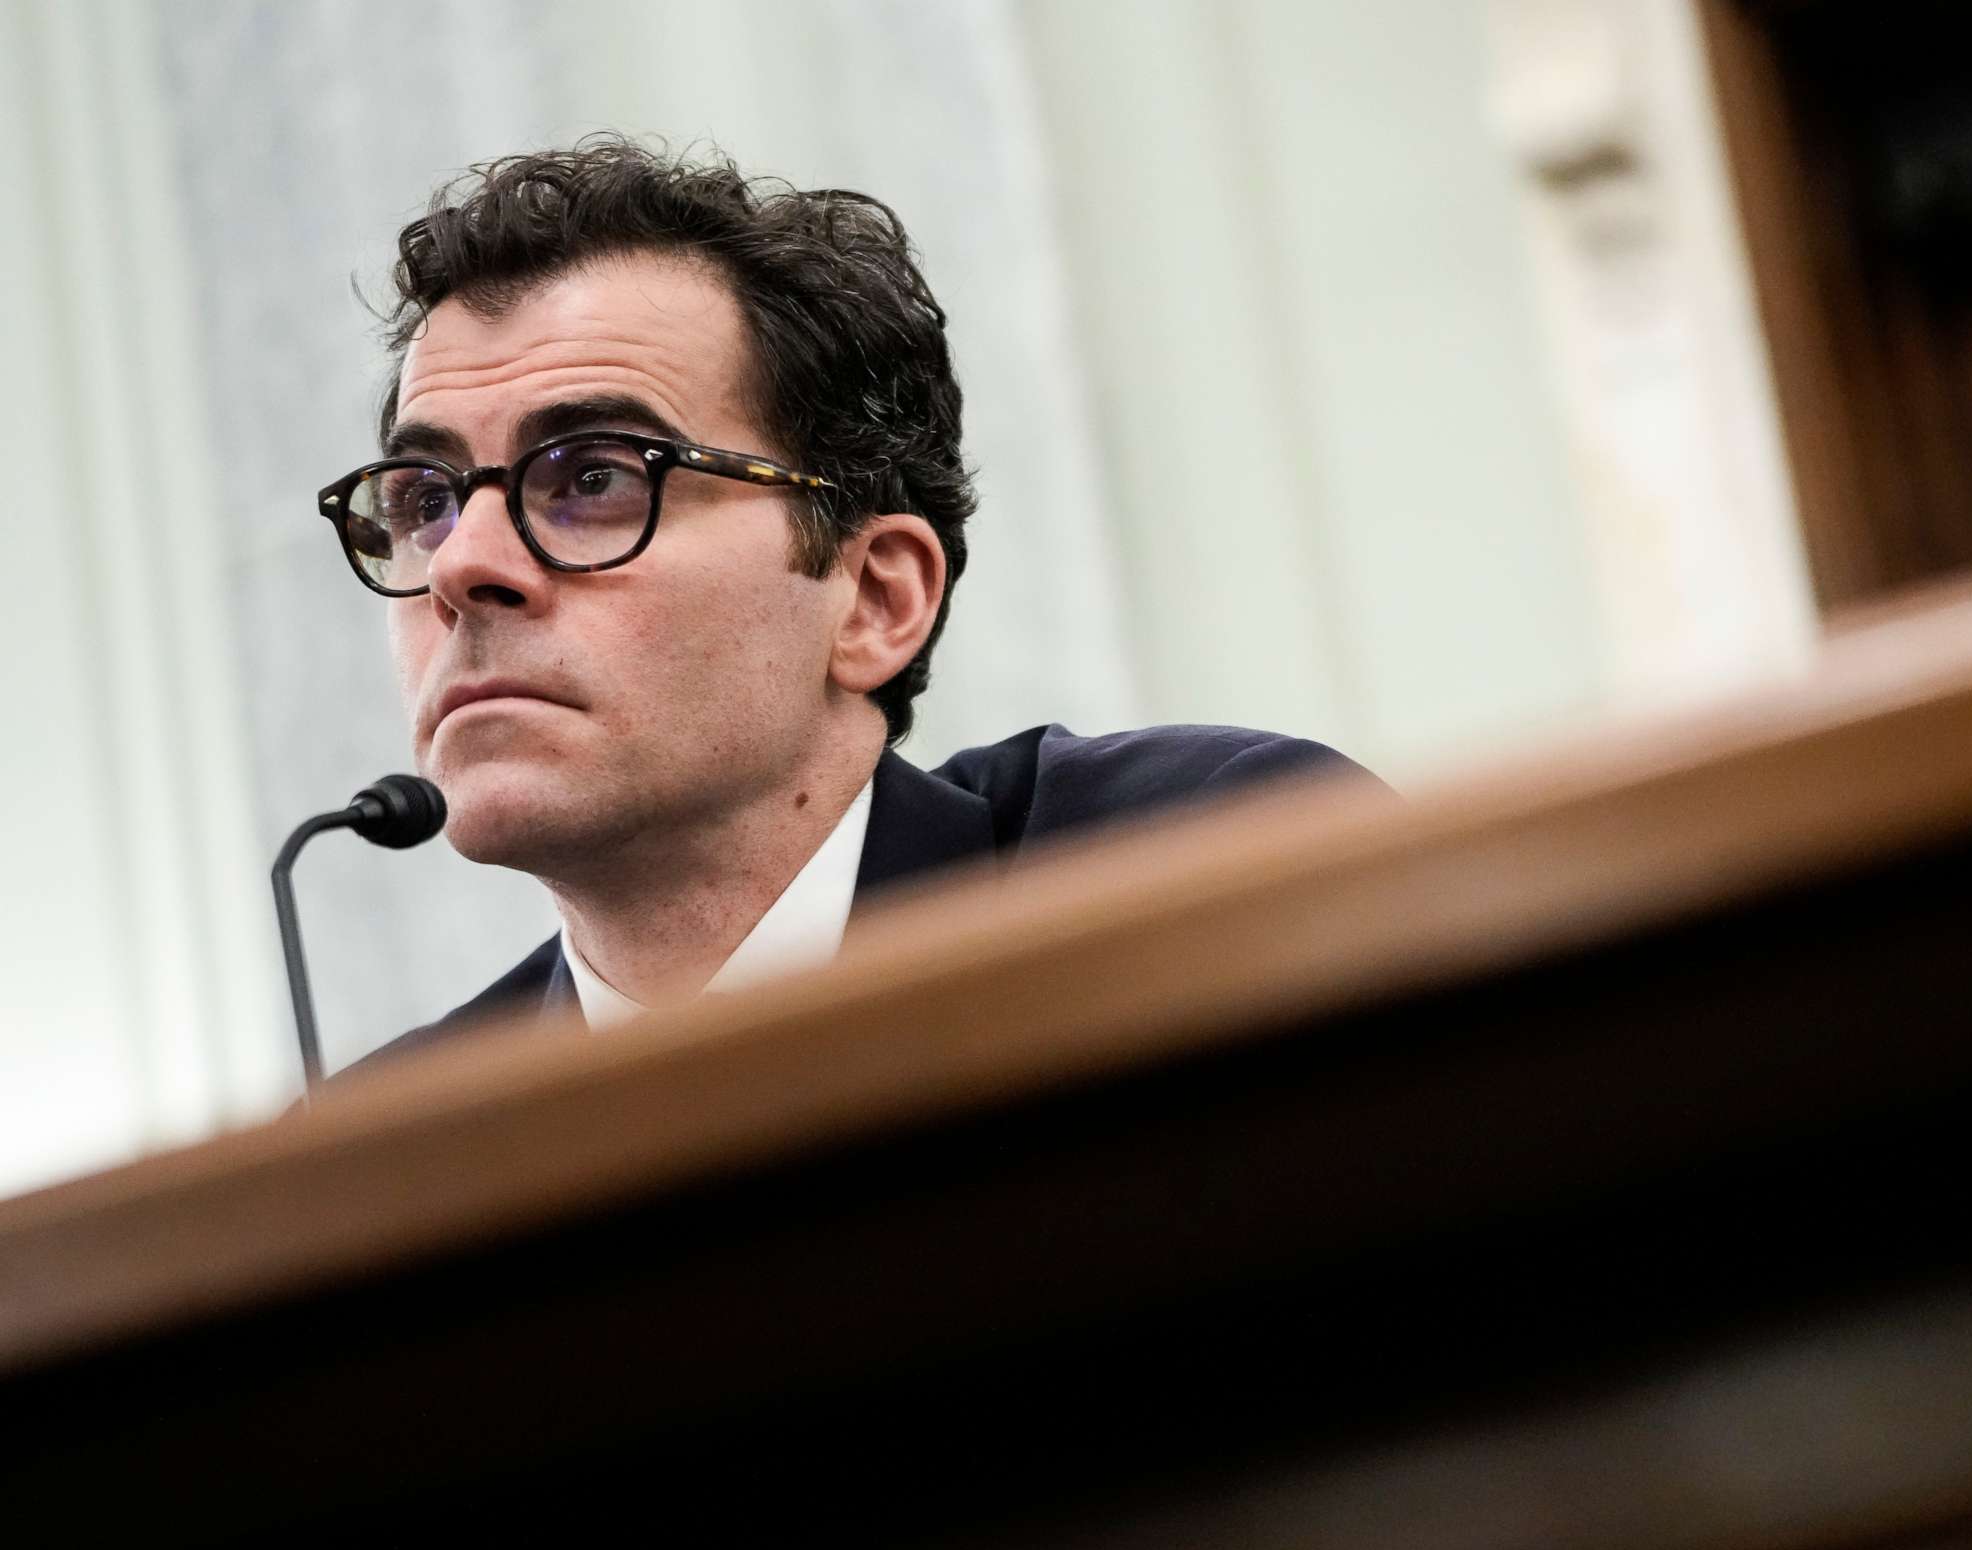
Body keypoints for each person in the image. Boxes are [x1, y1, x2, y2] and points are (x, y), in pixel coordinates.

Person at [327, 139, 1373, 1067]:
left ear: (875, 598)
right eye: (427, 501)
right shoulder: (392, 1154)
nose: (466, 566)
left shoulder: (1195, 874)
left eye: (595, 479)